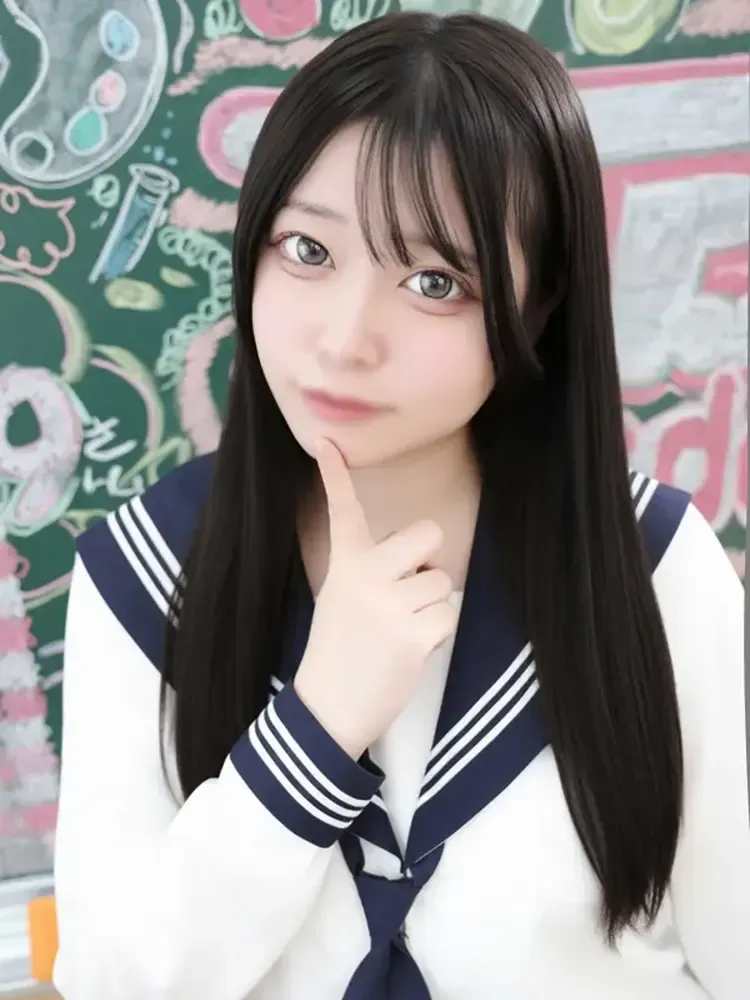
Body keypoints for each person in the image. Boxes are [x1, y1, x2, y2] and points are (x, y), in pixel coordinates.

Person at [52, 12, 749, 1000]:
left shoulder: (655, 573)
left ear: (540, 303)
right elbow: (113, 982)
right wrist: (314, 730)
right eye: (308, 250)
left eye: (433, 280)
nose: (345, 340)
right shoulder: (147, 574)